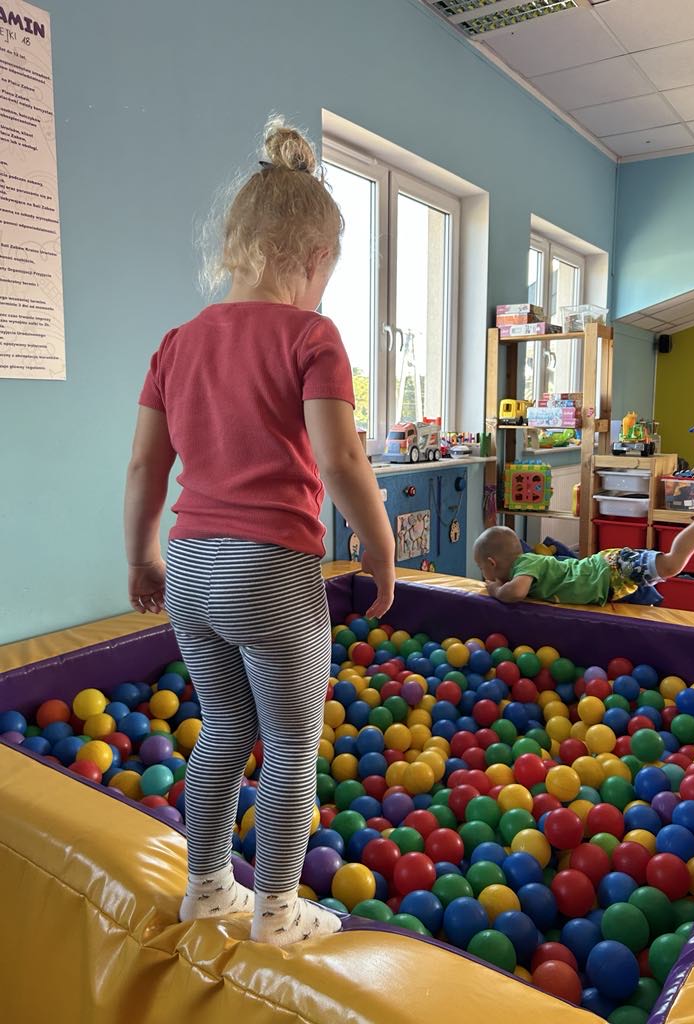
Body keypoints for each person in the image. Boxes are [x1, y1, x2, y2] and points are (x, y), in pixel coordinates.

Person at [123, 118, 395, 946]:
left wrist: (141, 557)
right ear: (314, 258)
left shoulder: (178, 343)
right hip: (270, 573)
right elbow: (341, 458)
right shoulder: (312, 336)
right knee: (290, 745)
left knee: (223, 730)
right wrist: (381, 550)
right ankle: (275, 910)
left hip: (190, 569)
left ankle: (207, 888)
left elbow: (145, 467)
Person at [474, 501, 694, 605]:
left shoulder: (525, 564)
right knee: (669, 567)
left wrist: (494, 590)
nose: (485, 576)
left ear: (492, 563)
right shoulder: (527, 565)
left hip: (611, 569)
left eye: (483, 570)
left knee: (671, 564)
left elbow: (516, 592)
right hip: (610, 576)